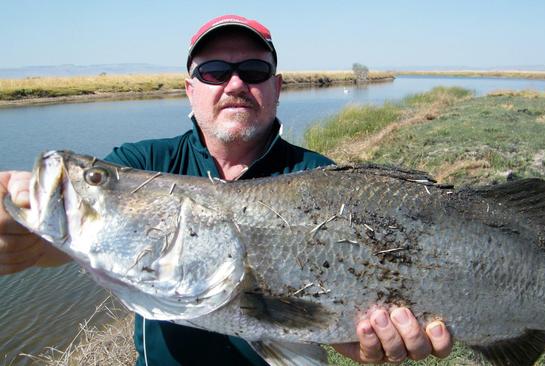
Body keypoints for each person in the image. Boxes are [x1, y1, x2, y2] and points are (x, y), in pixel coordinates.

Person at [0, 15, 453, 365]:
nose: (235, 84)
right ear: (189, 89)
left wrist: (360, 341)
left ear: (276, 87)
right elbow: (84, 241)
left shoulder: (326, 182)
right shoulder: (143, 164)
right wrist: (27, 236)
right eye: (215, 72)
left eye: (254, 70)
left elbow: (325, 328)